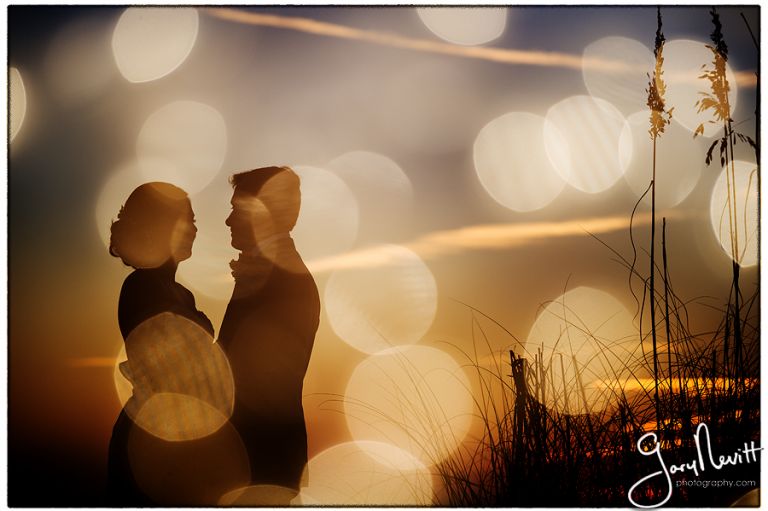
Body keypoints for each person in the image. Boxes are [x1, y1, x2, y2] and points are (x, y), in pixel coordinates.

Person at [106, 182, 215, 505]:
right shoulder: (141, 286)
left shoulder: (179, 292)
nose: (195, 228)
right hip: (151, 439)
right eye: (187, 219)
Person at [218, 166, 320, 494]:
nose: (228, 221)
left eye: (237, 209)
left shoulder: (285, 281)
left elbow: (254, 380)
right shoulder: (271, 273)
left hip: (261, 459)